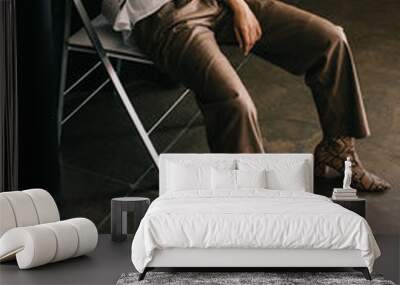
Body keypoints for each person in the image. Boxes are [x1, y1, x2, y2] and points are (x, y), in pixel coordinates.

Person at [106, 0, 390, 192]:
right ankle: (251, 206)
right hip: (159, 14)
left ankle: (337, 150)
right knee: (235, 102)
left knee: (330, 38)